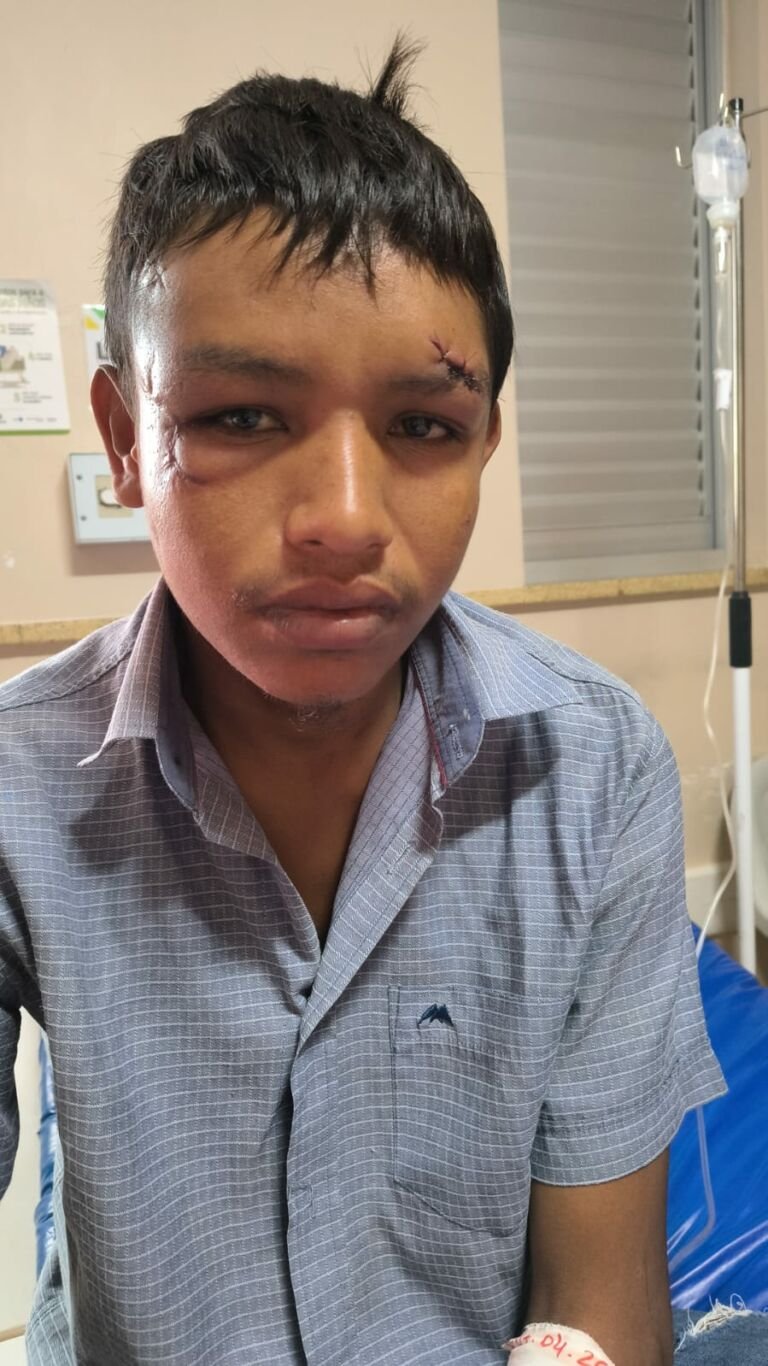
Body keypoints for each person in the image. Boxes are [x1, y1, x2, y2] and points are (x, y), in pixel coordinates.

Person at [0, 35, 757, 1366]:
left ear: (483, 443)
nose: (346, 520)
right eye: (242, 417)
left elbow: (598, 1300)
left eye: (421, 427)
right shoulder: (20, 782)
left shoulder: (591, 770)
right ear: (125, 437)